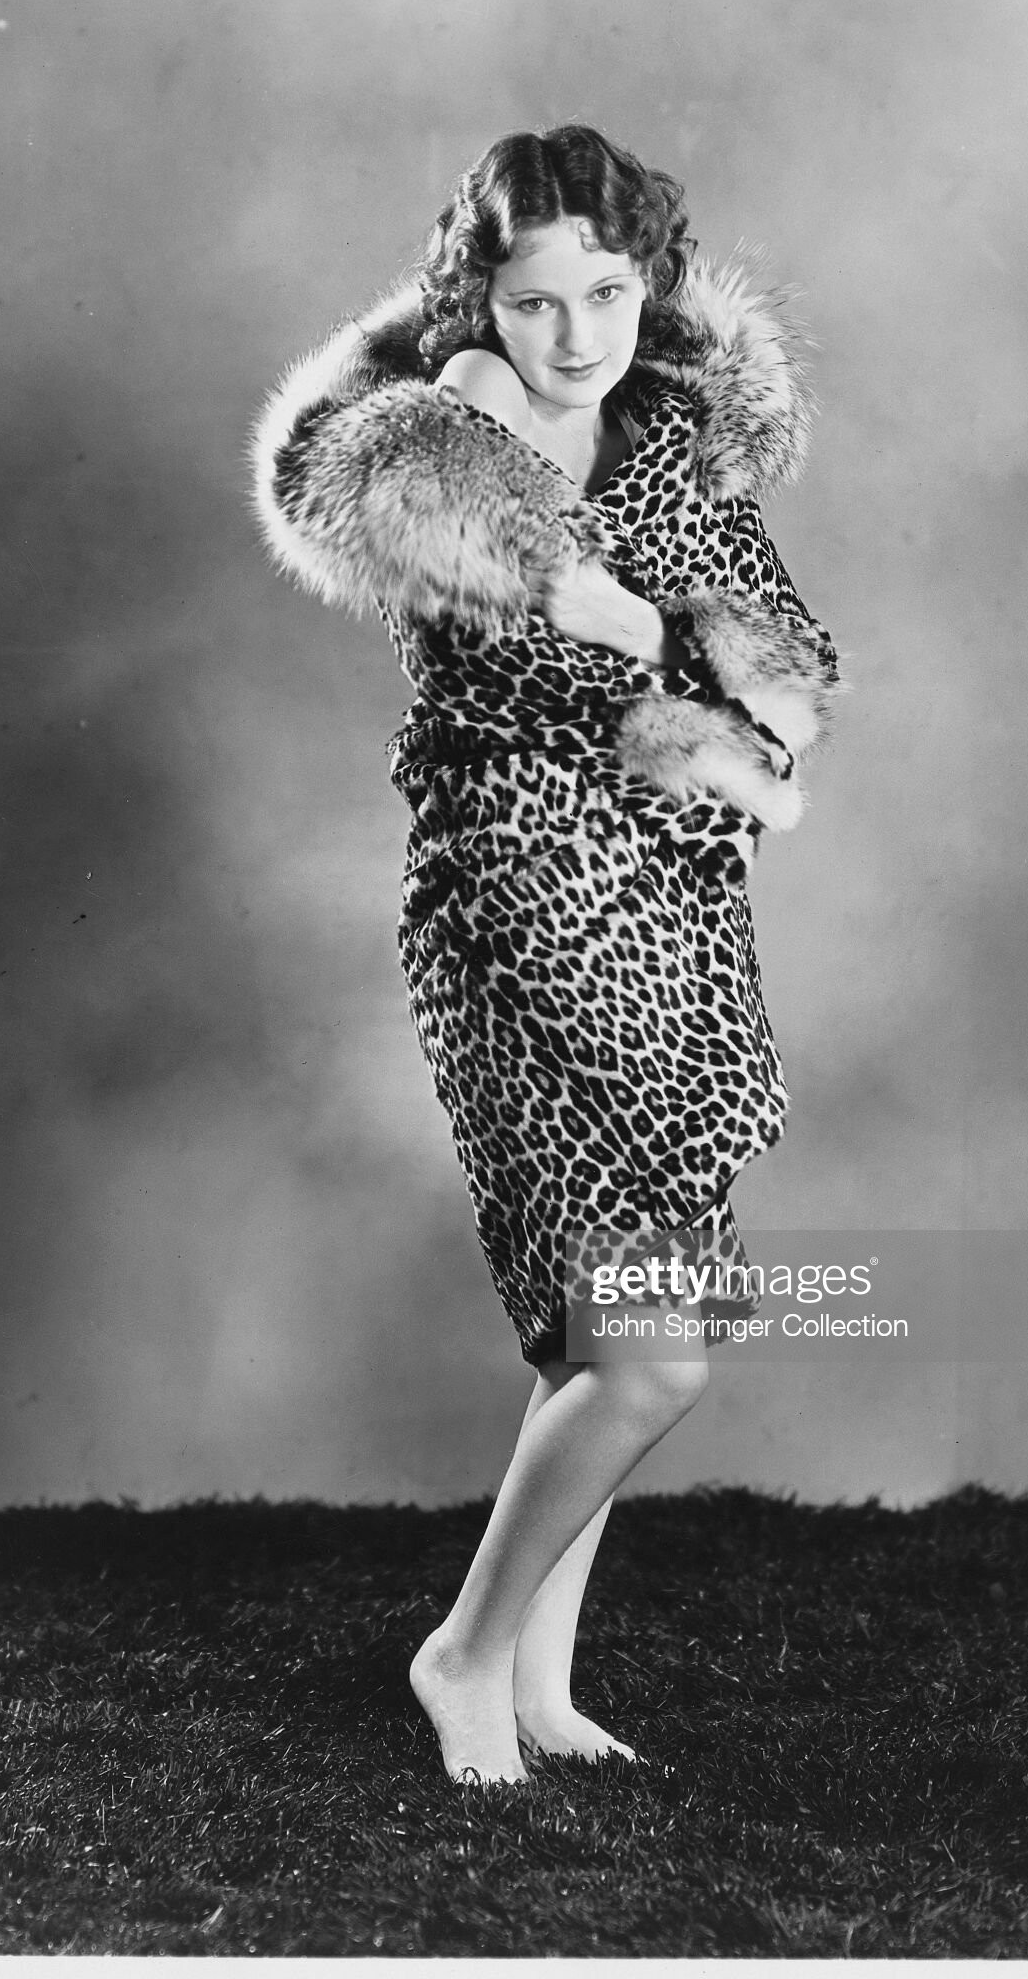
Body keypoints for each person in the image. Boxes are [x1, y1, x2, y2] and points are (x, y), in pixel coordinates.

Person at [251, 124, 839, 1785]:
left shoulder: (672, 436)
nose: (577, 336)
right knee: (651, 1347)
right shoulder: (437, 455)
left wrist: (737, 701)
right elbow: (550, 661)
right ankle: (462, 1653)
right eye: (532, 302)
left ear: (653, 284)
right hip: (517, 898)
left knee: (611, 1332)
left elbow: (783, 659)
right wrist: (677, 660)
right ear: (478, 303)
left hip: (672, 907)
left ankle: (536, 1681)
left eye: (609, 294)